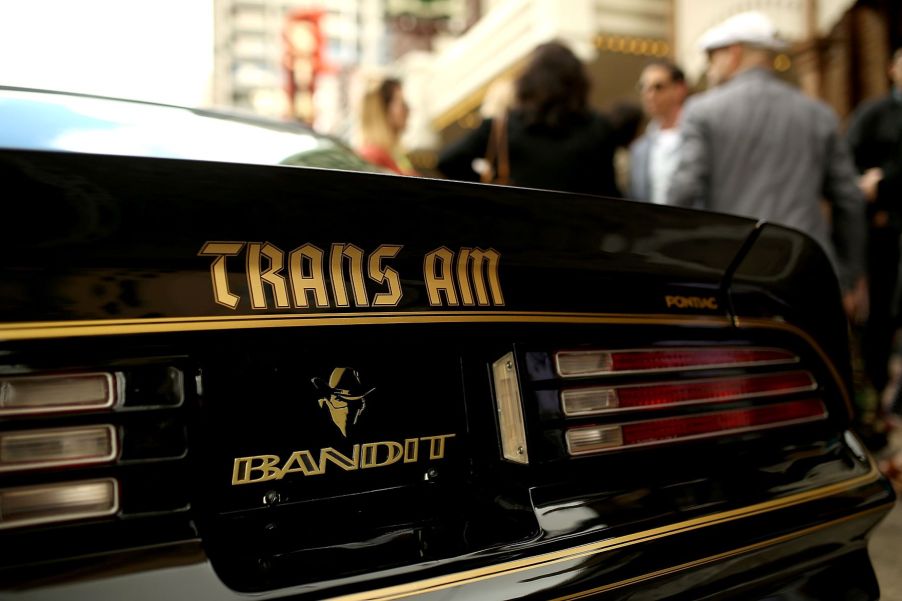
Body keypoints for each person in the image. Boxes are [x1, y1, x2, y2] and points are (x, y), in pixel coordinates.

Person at [667, 11, 867, 319]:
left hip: (730, 274)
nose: (709, 67)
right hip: (807, 273)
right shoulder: (818, 114)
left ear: (733, 54)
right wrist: (849, 277)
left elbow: (682, 193)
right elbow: (849, 200)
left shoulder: (702, 112)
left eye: (712, 57)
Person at [437, 41, 620, 197]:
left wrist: (489, 189)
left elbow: (448, 161)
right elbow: (608, 191)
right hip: (577, 231)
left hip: (518, 230)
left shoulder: (504, 126)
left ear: (529, 82)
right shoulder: (598, 127)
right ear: (578, 83)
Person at [846, 48, 902, 401]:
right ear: (892, 68)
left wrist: (884, 182)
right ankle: (876, 393)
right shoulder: (873, 113)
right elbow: (848, 165)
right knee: (880, 312)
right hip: (882, 229)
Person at [629, 59, 689, 204]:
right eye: (643, 87)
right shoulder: (639, 148)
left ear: (679, 89)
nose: (649, 95)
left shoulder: (697, 137)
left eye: (658, 87)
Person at [355, 75, 418, 175]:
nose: (408, 110)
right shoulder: (373, 156)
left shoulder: (393, 154)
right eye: (402, 103)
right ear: (382, 110)